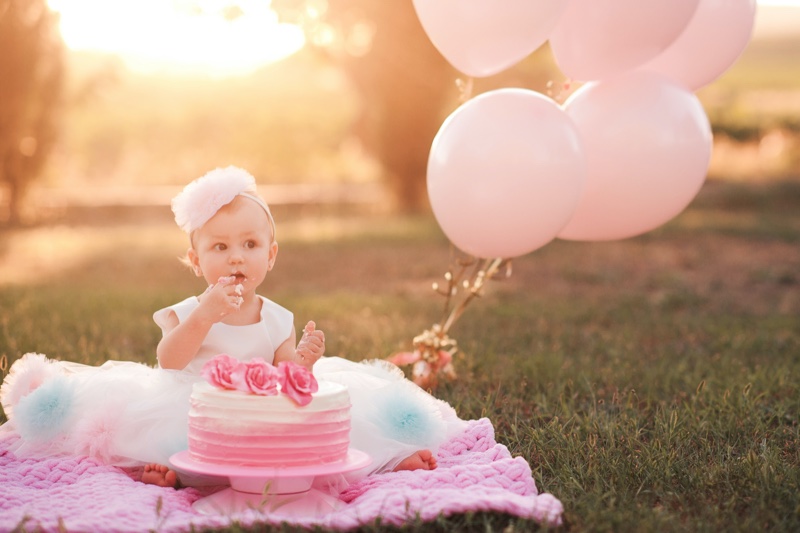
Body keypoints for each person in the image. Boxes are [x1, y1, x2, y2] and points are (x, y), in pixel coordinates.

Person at [0, 166, 465, 490]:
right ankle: (177, 471)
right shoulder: (190, 309)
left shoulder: (278, 316)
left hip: (264, 407)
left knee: (329, 425)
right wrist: (204, 315)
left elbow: (287, 374)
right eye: (219, 247)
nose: (236, 256)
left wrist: (302, 358)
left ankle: (385, 458)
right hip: (198, 402)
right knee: (173, 438)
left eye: (249, 244)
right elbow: (169, 361)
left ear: (271, 255)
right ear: (196, 260)